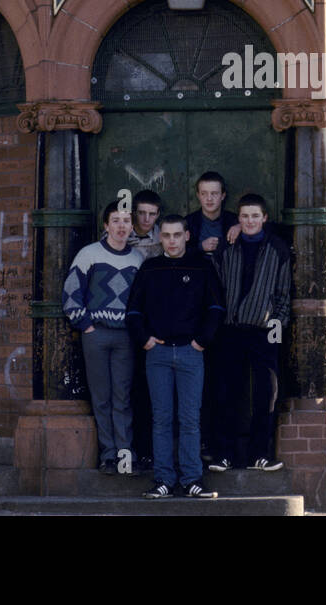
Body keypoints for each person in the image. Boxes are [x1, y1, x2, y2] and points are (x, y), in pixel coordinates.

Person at [126, 215, 225, 499]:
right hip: (157, 353)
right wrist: (144, 340)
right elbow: (134, 310)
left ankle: (192, 480)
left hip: (190, 353)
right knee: (161, 419)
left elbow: (216, 308)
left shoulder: (201, 266)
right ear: (160, 238)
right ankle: (164, 481)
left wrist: (201, 341)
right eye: (166, 235)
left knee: (190, 419)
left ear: (187, 236)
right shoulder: (150, 267)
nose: (171, 241)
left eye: (177, 235)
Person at [209, 193, 291, 472]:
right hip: (230, 330)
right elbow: (215, 290)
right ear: (238, 219)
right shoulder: (226, 248)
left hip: (264, 332)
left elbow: (282, 296)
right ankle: (225, 455)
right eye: (244, 216)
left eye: (255, 216)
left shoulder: (278, 248)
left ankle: (260, 455)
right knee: (225, 393)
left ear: (265, 218)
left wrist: (275, 328)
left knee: (265, 394)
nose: (249, 221)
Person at [62, 201, 145, 474]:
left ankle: (125, 455)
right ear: (106, 225)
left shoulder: (138, 260)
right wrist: (84, 324)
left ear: (132, 226)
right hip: (96, 333)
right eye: (116, 221)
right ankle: (108, 455)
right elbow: (72, 292)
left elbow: (143, 301)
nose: (122, 226)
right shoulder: (89, 255)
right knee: (101, 397)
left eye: (126, 221)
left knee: (122, 396)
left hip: (126, 338)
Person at [184, 171, 239, 462]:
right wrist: (198, 248)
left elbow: (271, 232)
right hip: (195, 314)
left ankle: (225, 448)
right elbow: (173, 251)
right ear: (198, 195)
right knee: (196, 385)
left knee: (224, 384)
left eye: (214, 193)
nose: (209, 199)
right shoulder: (189, 223)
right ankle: (200, 446)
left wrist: (242, 226)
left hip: (229, 316)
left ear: (223, 195)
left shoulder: (234, 221)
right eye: (204, 193)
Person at [127, 189, 162, 472]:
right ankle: (136, 450)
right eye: (142, 213)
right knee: (133, 389)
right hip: (125, 321)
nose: (146, 219)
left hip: (157, 321)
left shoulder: (166, 238)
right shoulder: (119, 237)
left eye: (152, 214)